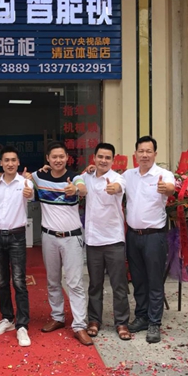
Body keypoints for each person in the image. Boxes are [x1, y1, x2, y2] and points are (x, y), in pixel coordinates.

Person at [33, 141, 92, 346]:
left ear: (67, 158)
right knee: (53, 280)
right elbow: (20, 177)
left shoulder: (74, 177)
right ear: (47, 159)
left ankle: (79, 325)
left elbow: (83, 189)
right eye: (54, 157)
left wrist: (75, 189)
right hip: (49, 237)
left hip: (72, 237)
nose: (58, 160)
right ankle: (57, 317)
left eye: (61, 156)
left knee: (75, 283)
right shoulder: (39, 176)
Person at [123, 136, 175, 343]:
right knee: (137, 279)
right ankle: (142, 316)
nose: (144, 155)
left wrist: (166, 189)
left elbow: (171, 188)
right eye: (141, 151)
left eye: (148, 151)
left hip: (154, 237)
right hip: (133, 235)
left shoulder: (164, 175)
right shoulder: (128, 175)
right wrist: (91, 170)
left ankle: (154, 322)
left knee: (154, 280)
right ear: (135, 154)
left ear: (155, 154)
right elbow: (111, 181)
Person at [0, 146, 34, 347]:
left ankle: (22, 325)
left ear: (18, 162)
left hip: (17, 236)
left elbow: (30, 195)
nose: (10, 163)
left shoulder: (25, 182)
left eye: (13, 160)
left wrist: (29, 192)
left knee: (19, 281)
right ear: (1, 163)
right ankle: (7, 318)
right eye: (6, 160)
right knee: (2, 280)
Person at [81, 143, 131, 341]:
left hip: (113, 239)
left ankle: (122, 322)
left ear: (113, 160)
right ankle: (94, 320)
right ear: (94, 158)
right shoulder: (87, 177)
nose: (103, 160)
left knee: (119, 284)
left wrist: (114, 188)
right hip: (93, 239)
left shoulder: (119, 178)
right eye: (100, 157)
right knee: (95, 284)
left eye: (107, 157)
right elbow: (77, 180)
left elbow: (119, 188)